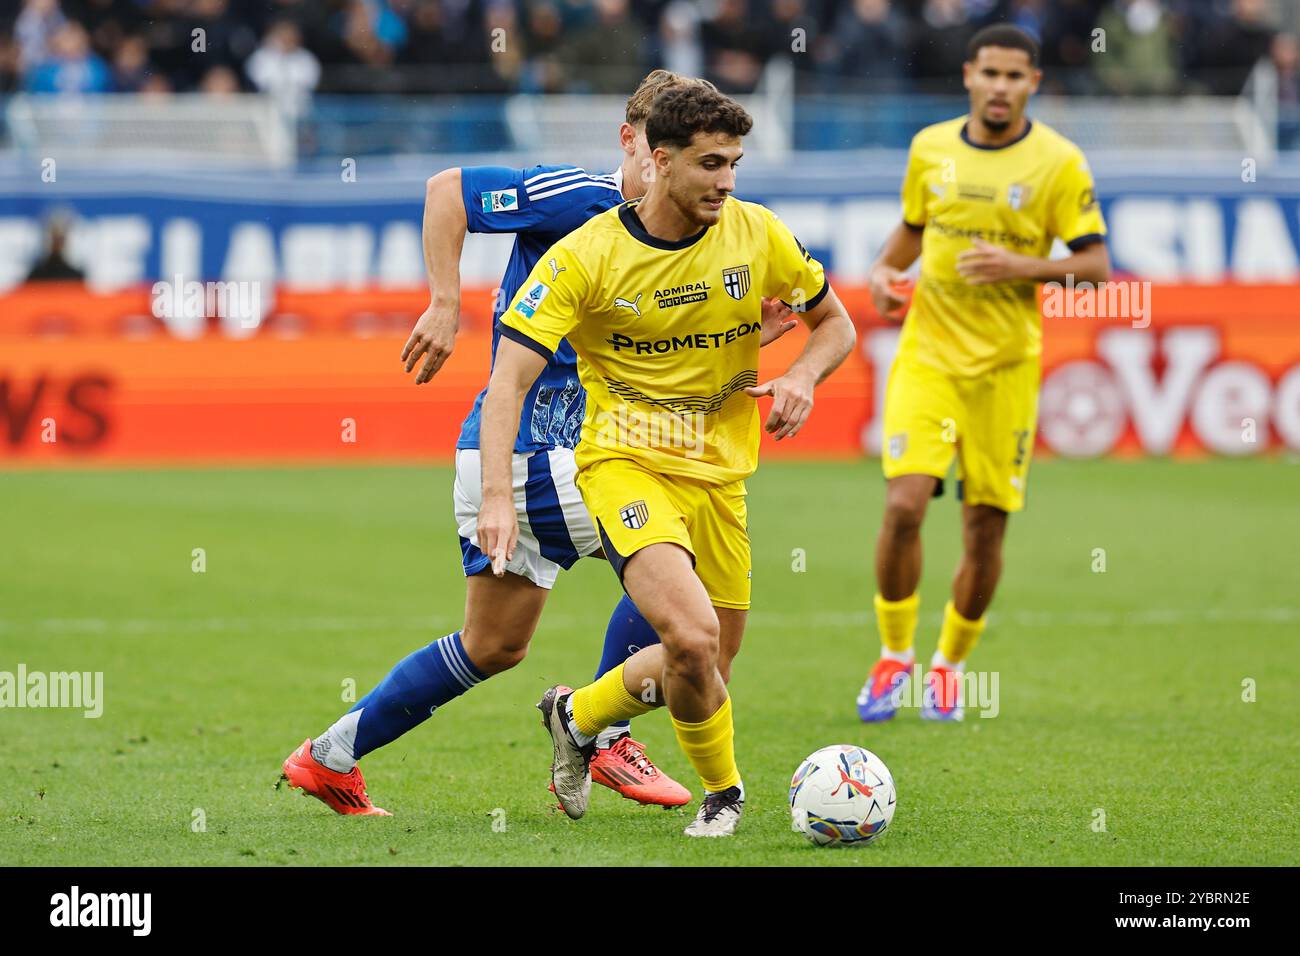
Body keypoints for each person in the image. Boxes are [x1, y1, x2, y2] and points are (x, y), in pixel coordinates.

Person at [280, 70, 798, 816]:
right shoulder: (581, 202)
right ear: (637, 144)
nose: (678, 168)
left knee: (492, 645)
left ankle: (329, 756)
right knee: (683, 581)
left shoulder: (699, 235)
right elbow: (448, 190)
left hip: (534, 454)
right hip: (531, 451)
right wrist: (446, 301)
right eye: (667, 149)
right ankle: (603, 728)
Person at [476, 83, 856, 837]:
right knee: (690, 639)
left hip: (722, 476)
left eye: (735, 164)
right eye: (710, 163)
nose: (726, 181)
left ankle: (577, 714)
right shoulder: (586, 256)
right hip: (624, 464)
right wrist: (495, 494)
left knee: (701, 670)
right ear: (659, 160)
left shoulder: (758, 234)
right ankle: (725, 796)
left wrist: (805, 374)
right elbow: (507, 381)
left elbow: (834, 323)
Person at [857, 24, 1110, 723]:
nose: (1000, 87)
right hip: (928, 357)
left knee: (984, 528)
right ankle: (895, 654)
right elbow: (912, 226)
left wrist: (1023, 266)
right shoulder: (930, 148)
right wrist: (884, 272)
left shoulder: (1058, 163)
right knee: (904, 505)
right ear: (969, 74)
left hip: (1005, 368)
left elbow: (1094, 268)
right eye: (989, 73)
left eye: (1014, 76)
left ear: (1034, 83)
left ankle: (949, 665)